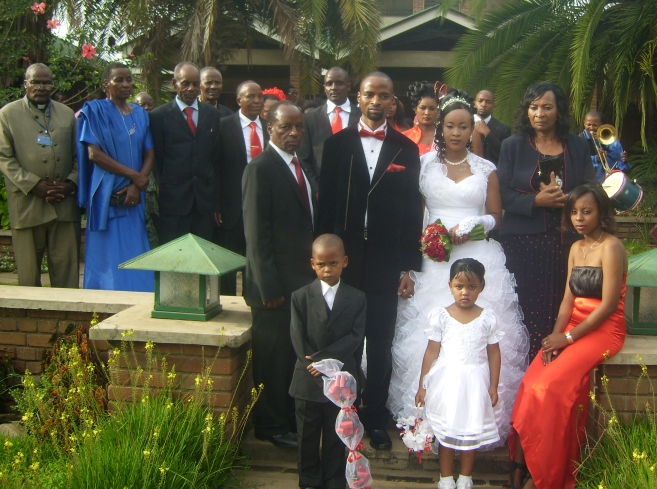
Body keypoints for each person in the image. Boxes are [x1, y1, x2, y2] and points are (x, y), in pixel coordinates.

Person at [388, 90, 529, 452]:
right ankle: (428, 421)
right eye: (450, 126)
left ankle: (476, 419)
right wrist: (411, 262)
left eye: (463, 126)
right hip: (433, 259)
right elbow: (414, 215)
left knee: (478, 339)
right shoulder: (424, 164)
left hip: (477, 257)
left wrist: (475, 224)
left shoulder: (486, 169)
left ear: (472, 130)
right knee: (430, 336)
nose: (456, 132)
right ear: (440, 127)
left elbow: (496, 216)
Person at [317, 71, 424, 450]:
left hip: (385, 259)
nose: (376, 101)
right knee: (343, 341)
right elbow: (325, 207)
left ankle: (375, 417)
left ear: (393, 102)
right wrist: (323, 263)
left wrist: (408, 267)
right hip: (344, 260)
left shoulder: (406, 149)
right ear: (358, 98)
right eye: (370, 95)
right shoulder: (336, 145)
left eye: (384, 95)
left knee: (380, 344)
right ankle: (342, 413)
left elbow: (412, 212)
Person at [509, 184, 627, 489]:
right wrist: (555, 336)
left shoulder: (612, 247)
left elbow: (609, 305)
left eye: (587, 212)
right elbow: (567, 300)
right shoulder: (576, 247)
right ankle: (521, 466)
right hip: (573, 326)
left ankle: (545, 476)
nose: (579, 218)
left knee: (549, 388)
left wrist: (569, 338)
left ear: (601, 212)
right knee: (530, 384)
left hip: (603, 329)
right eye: (574, 212)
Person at [497, 81, 597, 358]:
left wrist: (571, 199)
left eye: (547, 107)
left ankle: (557, 372)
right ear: (526, 111)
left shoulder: (577, 145)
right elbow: (501, 194)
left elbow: (591, 187)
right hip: (522, 245)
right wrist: (536, 201)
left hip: (567, 244)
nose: (539, 113)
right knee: (525, 312)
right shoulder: (512, 145)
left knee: (562, 310)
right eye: (534, 107)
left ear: (559, 111)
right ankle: (527, 373)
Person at [242, 100, 315, 449]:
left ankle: (287, 420)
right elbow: (256, 235)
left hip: (299, 282)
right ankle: (269, 425)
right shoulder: (260, 168)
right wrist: (268, 286)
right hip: (272, 289)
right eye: (286, 127)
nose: (294, 133)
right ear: (269, 127)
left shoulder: (301, 166)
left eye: (299, 127)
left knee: (290, 357)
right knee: (271, 360)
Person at [415, 259, 503, 489]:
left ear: (481, 287)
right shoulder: (441, 316)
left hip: (475, 383)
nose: (465, 292)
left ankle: (465, 477)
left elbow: (494, 353)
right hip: (448, 383)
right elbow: (431, 351)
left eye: (471, 287)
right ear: (450, 286)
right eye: (459, 286)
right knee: (447, 431)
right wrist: (422, 386)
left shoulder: (487, 317)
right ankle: (445, 478)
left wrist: (493, 385)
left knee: (470, 432)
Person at [289, 234, 366, 489]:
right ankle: (309, 480)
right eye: (321, 264)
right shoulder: (300, 296)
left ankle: (334, 479)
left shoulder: (357, 298)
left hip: (340, 378)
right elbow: (297, 335)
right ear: (312, 263)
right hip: (307, 377)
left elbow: (355, 336)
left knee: (336, 433)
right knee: (307, 434)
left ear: (344, 261)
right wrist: (311, 363)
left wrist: (322, 360)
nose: (327, 269)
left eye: (333, 263)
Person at [0, 63, 80, 288]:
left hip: (64, 205)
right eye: (35, 82)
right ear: (26, 84)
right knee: (28, 276)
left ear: (53, 85)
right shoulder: (8, 114)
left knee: (67, 275)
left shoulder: (66, 114)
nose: (41, 87)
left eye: (46, 82)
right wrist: (34, 185)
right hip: (28, 205)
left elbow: (78, 156)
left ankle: (68, 313)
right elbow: (4, 158)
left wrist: (70, 184)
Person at [76, 62, 153, 291]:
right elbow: (94, 154)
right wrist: (134, 176)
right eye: (119, 80)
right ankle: (104, 299)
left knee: (134, 247)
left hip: (134, 196)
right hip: (106, 193)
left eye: (129, 79)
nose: (125, 84)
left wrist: (137, 185)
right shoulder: (95, 111)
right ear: (105, 85)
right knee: (106, 254)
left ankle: (138, 297)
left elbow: (150, 152)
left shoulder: (140, 114)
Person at [149, 62, 222, 244]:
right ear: (174, 84)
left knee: (203, 253)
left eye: (196, 84)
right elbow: (158, 160)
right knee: (175, 255)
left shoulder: (212, 115)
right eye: (185, 83)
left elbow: (215, 157)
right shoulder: (158, 117)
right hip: (173, 202)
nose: (191, 89)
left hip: (204, 203)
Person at [216, 80, 268, 296]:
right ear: (239, 100)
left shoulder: (270, 126)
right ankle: (227, 303)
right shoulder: (223, 126)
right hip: (231, 207)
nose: (257, 101)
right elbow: (215, 166)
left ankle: (253, 301)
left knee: (255, 259)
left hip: (262, 205)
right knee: (228, 260)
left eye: (260, 96)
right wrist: (216, 203)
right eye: (250, 96)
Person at [298, 67, 361, 191]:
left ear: (349, 86)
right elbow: (303, 159)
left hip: (355, 189)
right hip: (321, 190)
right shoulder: (309, 119)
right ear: (324, 88)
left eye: (339, 83)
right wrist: (316, 189)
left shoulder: (362, 117)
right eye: (329, 84)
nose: (334, 87)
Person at [133, 91, 159, 247]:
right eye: (143, 105)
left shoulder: (157, 125)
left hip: (156, 186)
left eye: (150, 105)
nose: (147, 108)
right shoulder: (132, 127)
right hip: (139, 184)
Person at [581, 110, 630, 183]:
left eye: (595, 125)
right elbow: (579, 161)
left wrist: (623, 159)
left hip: (611, 179)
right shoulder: (580, 140)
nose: (591, 128)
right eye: (589, 124)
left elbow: (619, 159)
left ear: (600, 124)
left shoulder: (608, 137)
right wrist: (597, 158)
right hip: (591, 182)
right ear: (584, 123)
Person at [473, 89, 511, 166]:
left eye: (488, 102)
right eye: (480, 101)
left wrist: (488, 134)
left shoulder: (503, 129)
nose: (483, 104)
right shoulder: (464, 124)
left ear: (493, 106)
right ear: (475, 104)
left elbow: (505, 155)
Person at [403, 81, 439, 155]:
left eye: (432, 109)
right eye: (423, 108)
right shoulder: (404, 138)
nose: (427, 113)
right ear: (415, 109)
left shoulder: (445, 136)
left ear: (438, 110)